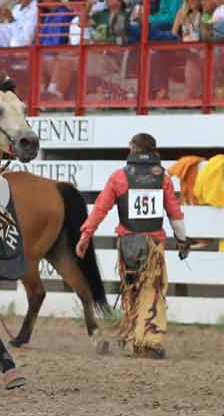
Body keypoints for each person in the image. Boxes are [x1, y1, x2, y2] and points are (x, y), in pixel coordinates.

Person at [75, 133, 188, 359]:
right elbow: (174, 213)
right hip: (153, 243)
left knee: (132, 290)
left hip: (127, 243)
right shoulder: (162, 178)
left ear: (133, 150)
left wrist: (86, 235)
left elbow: (100, 208)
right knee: (152, 290)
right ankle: (150, 342)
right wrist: (182, 239)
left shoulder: (119, 177)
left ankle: (137, 338)